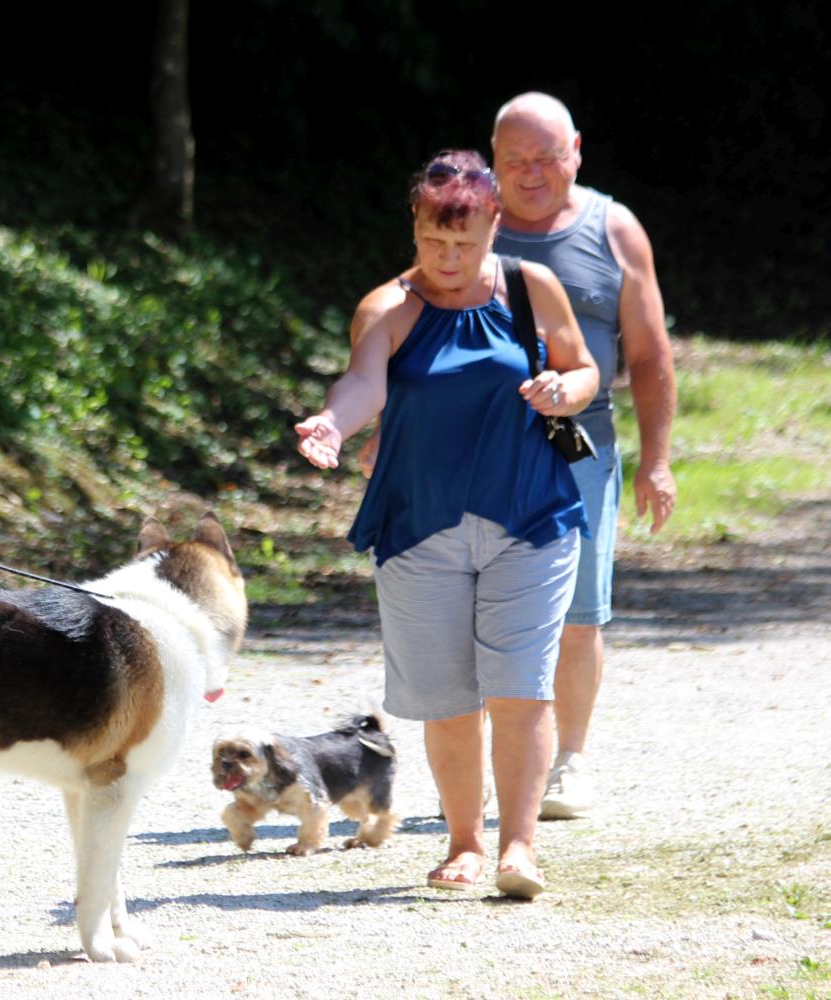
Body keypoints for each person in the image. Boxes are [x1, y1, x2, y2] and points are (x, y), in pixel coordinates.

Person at [294, 150, 598, 898]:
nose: (450, 258)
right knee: (447, 697)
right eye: (435, 242)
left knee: (521, 689)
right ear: (417, 226)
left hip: (530, 515)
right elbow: (365, 380)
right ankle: (465, 844)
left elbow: (587, 370)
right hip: (419, 524)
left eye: (466, 244)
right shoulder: (388, 307)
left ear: (496, 224)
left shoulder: (533, 287)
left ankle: (519, 849)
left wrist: (566, 389)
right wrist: (332, 423)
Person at [491, 93, 678, 819]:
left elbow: (651, 354)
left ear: (577, 151)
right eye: (515, 162)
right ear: (494, 162)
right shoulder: (469, 222)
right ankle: (487, 766)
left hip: (582, 444)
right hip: (482, 443)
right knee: (486, 604)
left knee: (578, 612)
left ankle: (569, 762)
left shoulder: (614, 229)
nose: (532, 174)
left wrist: (657, 461)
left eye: (546, 158)